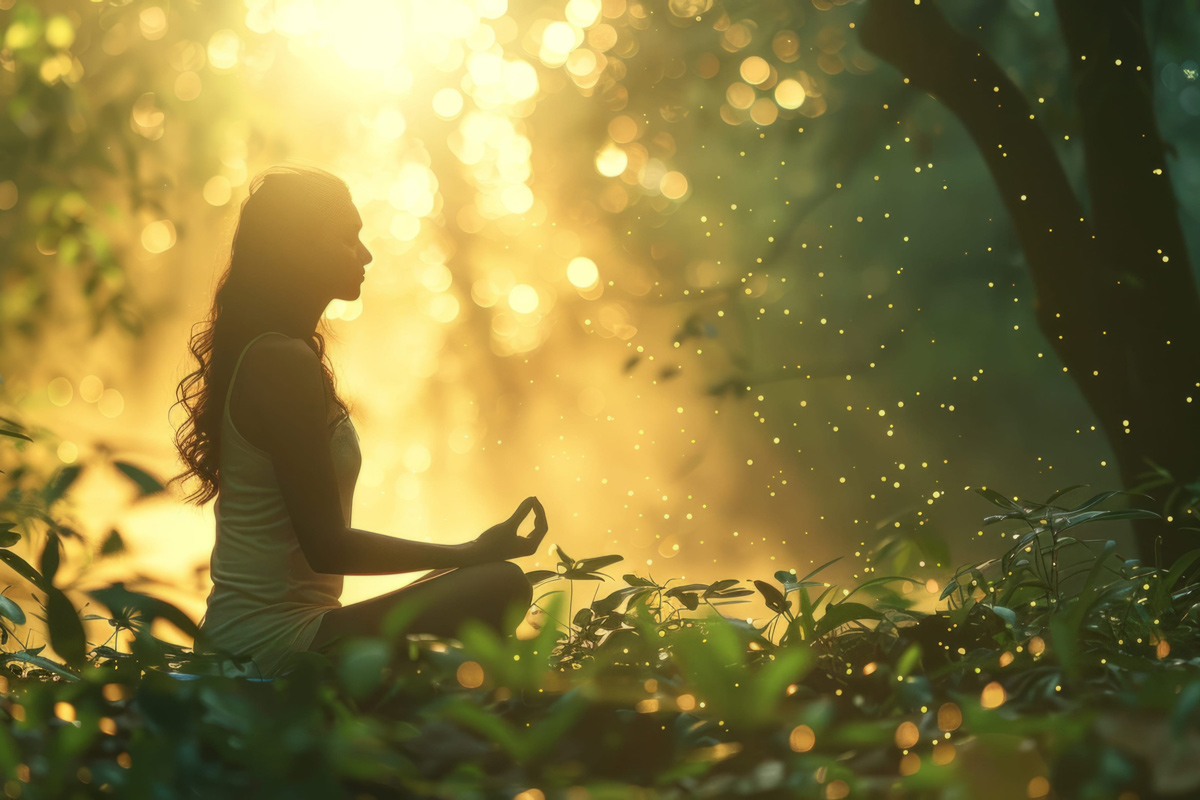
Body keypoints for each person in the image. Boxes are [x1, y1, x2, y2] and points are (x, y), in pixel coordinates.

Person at [170, 163, 547, 677]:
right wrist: (469, 551)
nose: (366, 254)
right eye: (348, 238)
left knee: (485, 577)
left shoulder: (285, 354)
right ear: (299, 246)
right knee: (498, 583)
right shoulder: (279, 361)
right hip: (262, 645)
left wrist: (466, 557)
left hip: (298, 627)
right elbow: (328, 547)